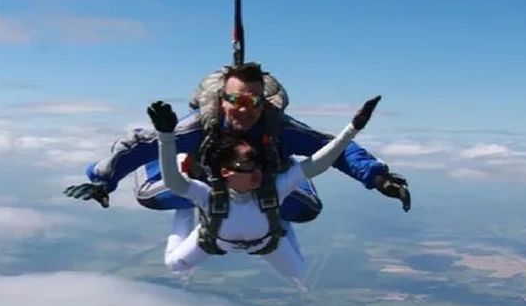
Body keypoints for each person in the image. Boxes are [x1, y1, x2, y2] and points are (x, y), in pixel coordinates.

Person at [64, 61, 411, 219]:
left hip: (263, 178)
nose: (242, 109)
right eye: (234, 101)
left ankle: (279, 173)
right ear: (221, 101)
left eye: (252, 102)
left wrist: (379, 177)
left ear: (263, 103)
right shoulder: (200, 127)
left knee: (306, 211)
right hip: (202, 178)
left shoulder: (280, 128)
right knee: (148, 196)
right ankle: (192, 188)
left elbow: (335, 149)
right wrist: (102, 181)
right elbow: (139, 144)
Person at [148, 96, 381, 283]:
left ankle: (280, 220)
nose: (258, 172)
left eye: (257, 164)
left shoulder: (272, 189)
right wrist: (166, 137)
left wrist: (353, 128)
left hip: (264, 241)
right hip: (224, 241)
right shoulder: (207, 195)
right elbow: (172, 181)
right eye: (248, 166)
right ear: (226, 172)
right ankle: (186, 210)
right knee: (173, 264)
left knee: (298, 273)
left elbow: (318, 163)